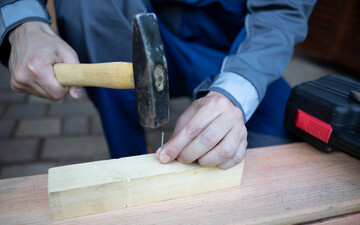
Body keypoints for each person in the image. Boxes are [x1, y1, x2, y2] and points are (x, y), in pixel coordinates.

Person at [0, 0, 316, 169]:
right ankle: (131, 157)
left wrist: (234, 94)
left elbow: (283, 11)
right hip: (137, 21)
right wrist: (22, 20)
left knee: (276, 154)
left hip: (235, 46)